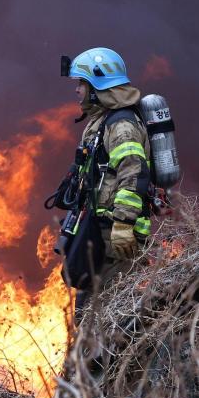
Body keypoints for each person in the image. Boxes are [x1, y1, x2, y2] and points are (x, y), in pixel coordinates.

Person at [64, 47, 152, 312]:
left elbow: (133, 172)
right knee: (86, 304)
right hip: (101, 231)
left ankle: (108, 354)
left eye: (82, 83)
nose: (77, 90)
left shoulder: (121, 125)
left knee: (105, 313)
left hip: (116, 237)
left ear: (98, 85)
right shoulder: (102, 122)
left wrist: (124, 225)